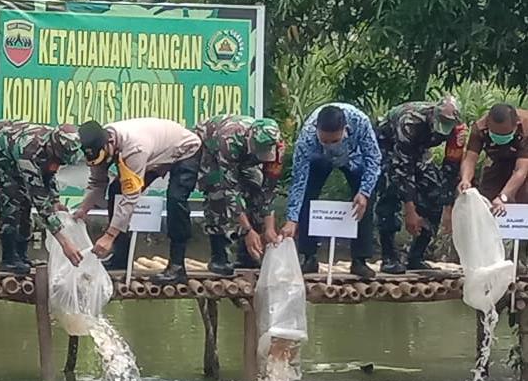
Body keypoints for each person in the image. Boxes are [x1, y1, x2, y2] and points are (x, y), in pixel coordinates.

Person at [75, 118, 202, 284]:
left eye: (105, 158)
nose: (103, 163)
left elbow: (131, 197)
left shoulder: (134, 148)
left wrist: (109, 236)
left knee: (175, 199)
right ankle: (121, 258)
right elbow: (98, 183)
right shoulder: (97, 147)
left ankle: (177, 267)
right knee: (116, 190)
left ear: (110, 143)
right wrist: (83, 210)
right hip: (155, 154)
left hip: (184, 150)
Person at [0, 119, 84, 275]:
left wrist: (55, 200)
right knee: (11, 194)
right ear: (53, 147)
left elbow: (48, 173)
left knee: (24, 199)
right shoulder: (29, 151)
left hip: (6, 150)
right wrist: (65, 243)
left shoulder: (51, 147)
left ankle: (21, 255)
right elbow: (39, 200)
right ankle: (8, 258)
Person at [280, 104, 381, 279]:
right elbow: (299, 181)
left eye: (334, 140)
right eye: (324, 140)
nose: (330, 145)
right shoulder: (306, 139)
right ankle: (309, 257)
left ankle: (360, 260)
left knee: (364, 200)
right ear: (316, 131)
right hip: (318, 159)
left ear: (345, 130)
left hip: (353, 158)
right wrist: (292, 219)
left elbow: (374, 159)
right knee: (307, 196)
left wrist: (364, 192)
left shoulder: (361, 123)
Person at [374, 97, 465, 273]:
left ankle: (416, 255)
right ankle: (389, 257)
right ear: (434, 114)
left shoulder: (458, 129)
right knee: (390, 191)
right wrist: (410, 210)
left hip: (421, 149)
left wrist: (448, 204)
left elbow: (451, 165)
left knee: (434, 193)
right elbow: (403, 167)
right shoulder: (410, 120)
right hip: (390, 145)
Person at [195, 114, 284, 274]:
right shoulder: (228, 141)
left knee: (255, 185)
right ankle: (219, 255)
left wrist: (269, 228)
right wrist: (247, 231)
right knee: (216, 190)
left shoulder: (277, 147)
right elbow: (230, 190)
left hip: (244, 155)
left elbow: (269, 188)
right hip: (208, 146)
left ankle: (247, 255)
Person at [459, 103, 528, 214]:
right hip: (498, 160)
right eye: (494, 134)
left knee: (522, 195)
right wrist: (465, 179)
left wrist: (503, 197)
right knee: (486, 198)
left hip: (524, 161)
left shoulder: (525, 127)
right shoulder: (479, 128)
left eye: (505, 134)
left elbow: (521, 170)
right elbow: (470, 159)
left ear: (516, 125)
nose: (499, 138)